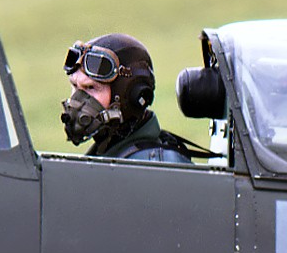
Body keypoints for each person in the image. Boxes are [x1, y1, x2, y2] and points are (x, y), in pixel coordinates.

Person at [60, 33, 193, 163]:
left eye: (91, 88)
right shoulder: (112, 154)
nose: (77, 99)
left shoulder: (155, 168)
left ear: (132, 97)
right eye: (75, 86)